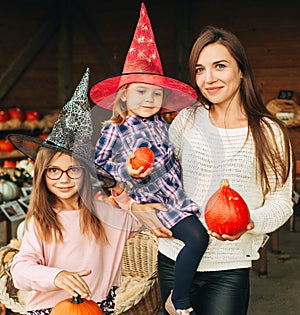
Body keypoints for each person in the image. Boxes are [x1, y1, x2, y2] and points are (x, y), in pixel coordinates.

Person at [147, 25, 293, 315]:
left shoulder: (269, 132)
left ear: (241, 71)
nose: (209, 78)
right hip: (174, 257)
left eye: (220, 66)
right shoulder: (186, 121)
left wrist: (250, 222)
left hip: (229, 267)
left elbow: (282, 203)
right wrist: (147, 210)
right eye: (200, 69)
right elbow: (159, 181)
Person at [89, 4, 209, 315]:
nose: (149, 100)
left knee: (199, 239)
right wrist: (124, 170)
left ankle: (177, 296)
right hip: (149, 201)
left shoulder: (164, 126)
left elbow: (174, 161)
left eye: (156, 94)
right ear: (124, 95)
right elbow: (98, 167)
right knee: (196, 238)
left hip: (175, 197)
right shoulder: (115, 129)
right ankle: (180, 302)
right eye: (141, 92)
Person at [9, 68, 147, 315]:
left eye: (73, 170)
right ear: (42, 175)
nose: (63, 179)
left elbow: (143, 220)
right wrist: (57, 276)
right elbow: (20, 271)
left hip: (97, 307)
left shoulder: (106, 216)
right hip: (47, 310)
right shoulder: (40, 222)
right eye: (53, 171)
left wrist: (118, 189)